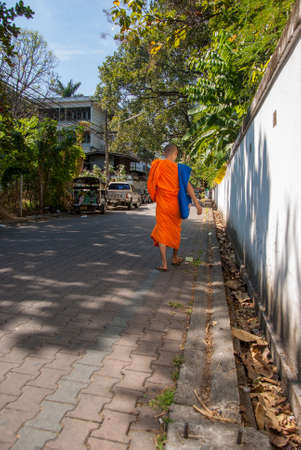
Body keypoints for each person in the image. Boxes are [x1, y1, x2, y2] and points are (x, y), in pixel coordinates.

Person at [147, 143, 202, 271]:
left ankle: (164, 264)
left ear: (164, 153)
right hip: (175, 205)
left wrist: (156, 195)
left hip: (162, 204)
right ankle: (175, 257)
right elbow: (188, 187)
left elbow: (151, 185)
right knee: (175, 231)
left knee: (162, 231)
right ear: (175, 154)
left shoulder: (157, 165)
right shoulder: (180, 169)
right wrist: (197, 203)